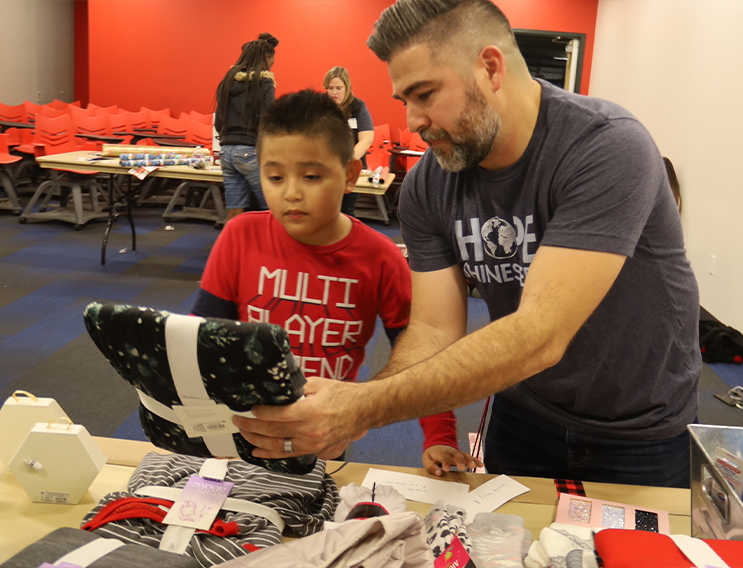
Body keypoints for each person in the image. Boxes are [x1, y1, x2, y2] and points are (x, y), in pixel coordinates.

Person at [233, 0, 700, 488]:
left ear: (490, 68)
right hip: (524, 412)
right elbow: (434, 328)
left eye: (425, 94)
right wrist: (356, 413)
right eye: (403, 102)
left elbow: (542, 334)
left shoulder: (605, 147)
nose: (412, 121)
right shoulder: (428, 184)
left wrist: (362, 406)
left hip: (641, 429)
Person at [215, 34, 278, 223]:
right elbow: (268, 122)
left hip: (226, 151)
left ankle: (230, 251)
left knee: (234, 209)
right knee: (275, 207)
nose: (273, 64)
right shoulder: (265, 83)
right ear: (266, 57)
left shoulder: (227, 82)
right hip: (250, 151)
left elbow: (219, 121)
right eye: (273, 59)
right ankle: (279, 250)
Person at [323, 66, 375, 217]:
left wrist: (347, 159)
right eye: (330, 88)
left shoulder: (358, 107)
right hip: (327, 168)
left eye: (338, 88)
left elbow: (366, 139)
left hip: (350, 168)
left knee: (346, 211)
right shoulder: (321, 106)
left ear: (347, 87)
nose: (334, 92)